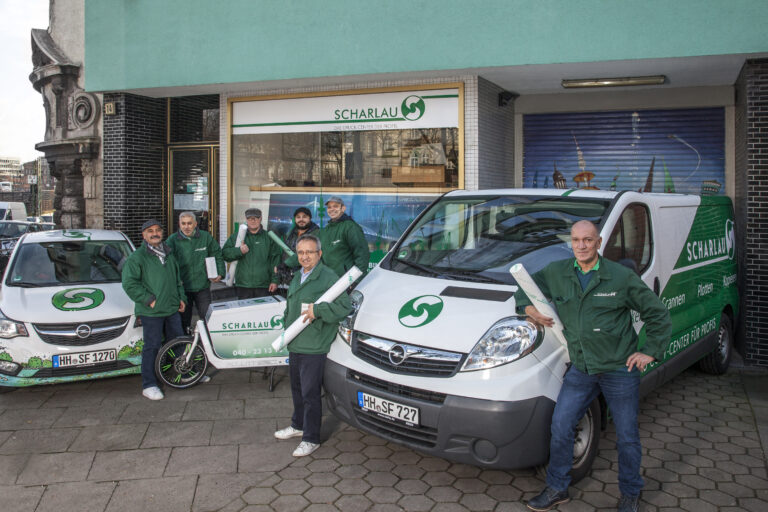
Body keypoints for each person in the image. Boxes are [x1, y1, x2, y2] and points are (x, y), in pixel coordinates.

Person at [516, 220, 671, 512]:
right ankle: (557, 488)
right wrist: (530, 309)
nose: (582, 246)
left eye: (588, 240)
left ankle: (630, 493)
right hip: (581, 369)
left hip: (619, 370)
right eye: (576, 240)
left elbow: (658, 313)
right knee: (561, 426)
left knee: (626, 436)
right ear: (571, 243)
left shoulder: (620, 277)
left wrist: (649, 351)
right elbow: (524, 288)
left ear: (599, 243)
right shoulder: (558, 272)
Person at [274, 234, 352, 457]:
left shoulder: (328, 277)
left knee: (310, 393)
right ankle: (298, 426)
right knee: (297, 389)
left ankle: (311, 438)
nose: (304, 256)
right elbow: (293, 304)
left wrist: (318, 311)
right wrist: (286, 325)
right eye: (300, 252)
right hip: (296, 341)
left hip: (314, 344)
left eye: (309, 252)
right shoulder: (299, 275)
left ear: (319, 254)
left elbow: (344, 308)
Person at [122, 219, 187, 400]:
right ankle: (149, 384)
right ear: (144, 235)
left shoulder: (168, 253)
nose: (155, 233)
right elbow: (129, 283)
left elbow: (177, 279)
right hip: (151, 311)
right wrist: (148, 300)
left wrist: (181, 297)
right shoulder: (137, 258)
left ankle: (181, 374)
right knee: (152, 346)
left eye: (158, 230)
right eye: (150, 231)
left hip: (171, 307)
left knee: (178, 343)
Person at [167, 211, 225, 333]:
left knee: (207, 317)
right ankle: (185, 345)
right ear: (179, 224)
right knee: (184, 319)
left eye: (189, 223)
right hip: (183, 288)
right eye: (183, 224)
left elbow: (217, 253)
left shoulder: (205, 237)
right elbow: (167, 262)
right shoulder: (172, 240)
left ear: (195, 224)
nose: (186, 227)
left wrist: (220, 272)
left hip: (202, 285)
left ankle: (207, 344)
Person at [222, 208, 281, 299]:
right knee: (245, 312)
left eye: (256, 218)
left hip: (264, 285)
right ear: (246, 219)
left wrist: (275, 281)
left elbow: (275, 261)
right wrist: (239, 251)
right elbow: (225, 254)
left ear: (261, 218)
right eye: (250, 218)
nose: (253, 221)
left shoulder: (269, 238)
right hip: (243, 285)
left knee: (262, 312)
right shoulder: (237, 236)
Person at [318, 196, 369, 278]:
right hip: (327, 280)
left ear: (343, 208)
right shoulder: (325, 230)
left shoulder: (350, 227)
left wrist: (355, 280)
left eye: (336, 206)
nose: (332, 209)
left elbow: (362, 254)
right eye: (329, 207)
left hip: (345, 281)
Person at [277, 206, 320, 287]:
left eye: (304, 217)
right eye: (298, 217)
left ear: (310, 218)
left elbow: (305, 254)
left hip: (306, 279)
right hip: (289, 278)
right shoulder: (291, 232)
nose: (301, 220)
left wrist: (286, 264)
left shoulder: (316, 233)